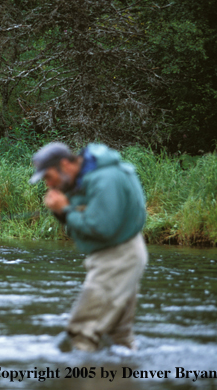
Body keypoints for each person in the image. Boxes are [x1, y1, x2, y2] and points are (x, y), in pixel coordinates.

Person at [29, 142, 148, 351]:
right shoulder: (85, 179)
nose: (48, 184)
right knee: (117, 336)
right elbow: (83, 224)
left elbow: (102, 228)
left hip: (119, 258)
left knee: (82, 332)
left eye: (48, 176)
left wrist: (65, 210)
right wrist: (61, 212)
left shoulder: (105, 179)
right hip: (118, 256)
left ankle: (80, 379)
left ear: (64, 165)